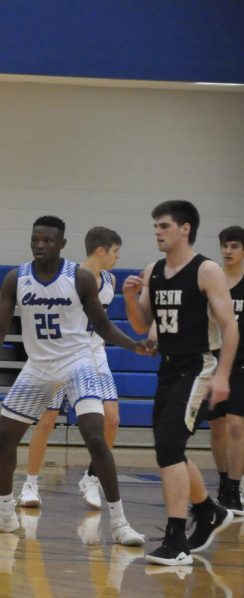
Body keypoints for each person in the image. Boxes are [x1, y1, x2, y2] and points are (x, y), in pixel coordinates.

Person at [0, 215, 147, 547]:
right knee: (4, 439)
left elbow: (104, 326)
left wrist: (133, 344)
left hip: (77, 362)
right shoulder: (15, 278)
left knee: (95, 436)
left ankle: (120, 523)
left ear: (62, 244)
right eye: (35, 239)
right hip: (38, 366)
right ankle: (5, 514)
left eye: (48, 240)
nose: (40, 245)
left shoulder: (79, 278)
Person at [123, 201, 238, 566]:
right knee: (167, 448)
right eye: (155, 226)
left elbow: (230, 326)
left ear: (185, 229)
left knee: (170, 447)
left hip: (200, 366)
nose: (157, 231)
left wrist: (222, 375)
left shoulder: (206, 270)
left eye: (164, 226)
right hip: (169, 368)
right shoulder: (153, 271)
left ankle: (177, 539)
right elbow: (142, 324)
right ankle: (208, 510)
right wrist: (129, 298)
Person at [19, 227, 124, 510]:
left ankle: (92, 476)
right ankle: (30, 483)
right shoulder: (70, 278)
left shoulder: (111, 279)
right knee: (46, 420)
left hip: (95, 354)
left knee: (111, 420)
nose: (117, 258)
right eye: (115, 252)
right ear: (101, 250)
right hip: (63, 354)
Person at [204, 225, 243, 516]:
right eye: (225, 246)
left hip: (241, 362)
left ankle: (234, 486)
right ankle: (222, 483)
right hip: (213, 360)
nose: (228, 251)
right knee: (217, 427)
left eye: (234, 246)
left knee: (236, 424)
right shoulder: (212, 279)